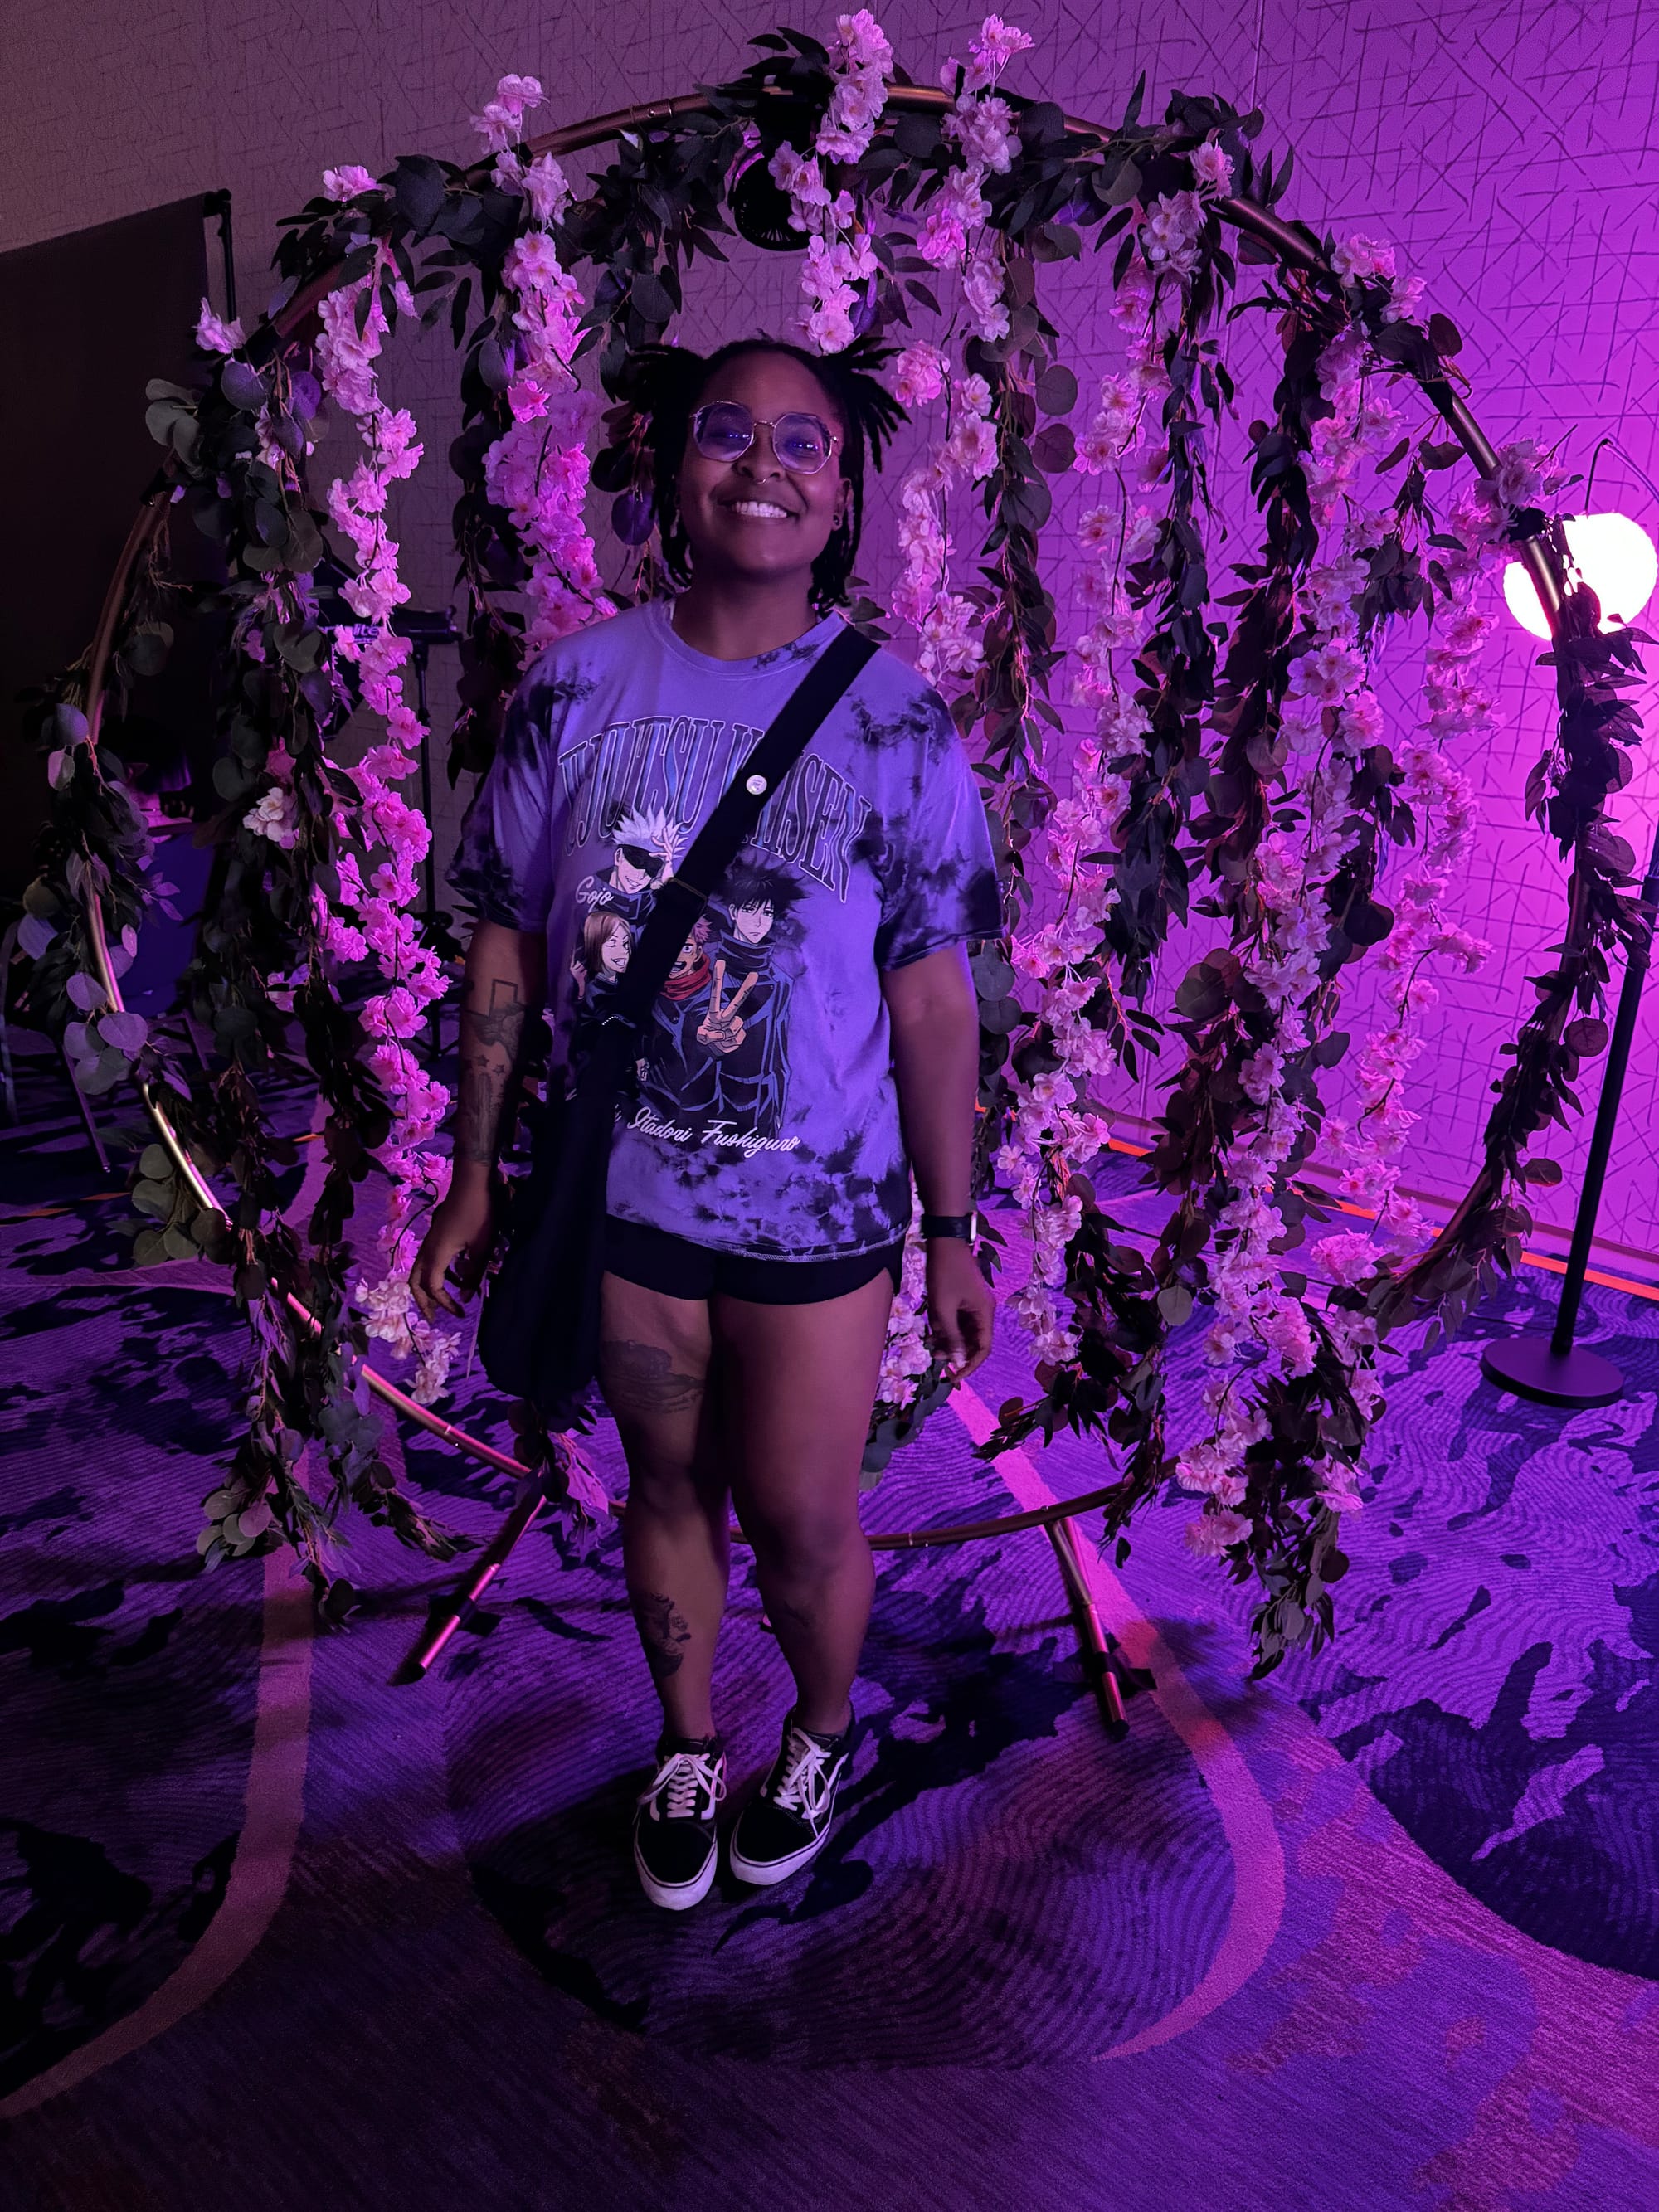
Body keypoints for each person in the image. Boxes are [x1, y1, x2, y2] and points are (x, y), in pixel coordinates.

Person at [412, 337, 999, 1912]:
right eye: (728, 433)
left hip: (820, 1219)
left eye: (803, 443)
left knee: (808, 1517)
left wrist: (951, 1226)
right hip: (629, 1199)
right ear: (676, 467)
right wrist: (474, 1172)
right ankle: (683, 1741)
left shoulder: (894, 724)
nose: (764, 465)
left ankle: (815, 1732)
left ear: (847, 490)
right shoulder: (578, 690)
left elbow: (935, 1002)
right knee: (663, 1486)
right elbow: (504, 941)